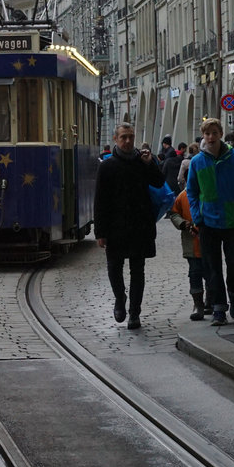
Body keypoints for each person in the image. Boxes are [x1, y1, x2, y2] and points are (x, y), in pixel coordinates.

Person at [93, 122, 165, 330]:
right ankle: (119, 298)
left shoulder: (142, 161)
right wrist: (100, 232)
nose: (127, 141)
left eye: (130, 137)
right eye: (123, 137)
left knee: (138, 270)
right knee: (114, 269)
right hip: (115, 227)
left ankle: (135, 312)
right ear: (116, 139)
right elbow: (100, 201)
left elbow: (160, 183)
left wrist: (151, 163)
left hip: (140, 225)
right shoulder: (106, 166)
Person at [187, 118, 234, 326]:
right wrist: (198, 216)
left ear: (220, 134)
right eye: (207, 134)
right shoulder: (197, 161)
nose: (211, 137)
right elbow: (192, 191)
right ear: (203, 136)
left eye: (214, 133)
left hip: (231, 221)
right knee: (211, 268)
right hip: (207, 223)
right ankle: (218, 309)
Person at [169, 188, 212, 319]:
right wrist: (183, 224)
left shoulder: (208, 192)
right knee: (195, 273)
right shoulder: (183, 196)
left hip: (209, 242)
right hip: (191, 244)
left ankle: (210, 301)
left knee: (210, 272)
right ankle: (198, 304)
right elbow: (174, 214)